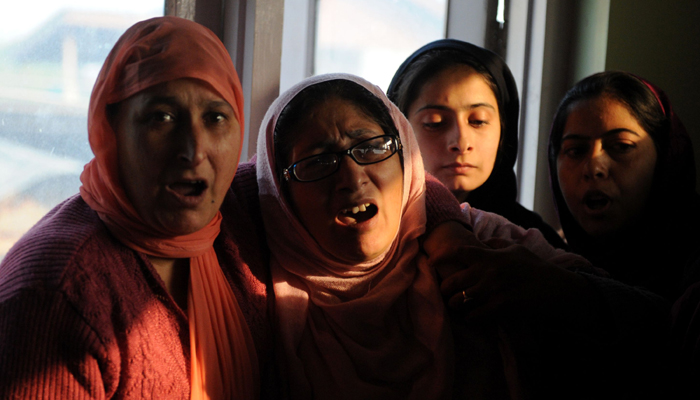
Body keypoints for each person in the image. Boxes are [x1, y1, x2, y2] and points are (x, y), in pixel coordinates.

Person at [254, 72, 645, 399]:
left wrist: (551, 289)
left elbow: (657, 327)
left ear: (405, 153)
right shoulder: (256, 292)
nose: (352, 178)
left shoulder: (483, 245)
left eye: (372, 147)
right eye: (318, 161)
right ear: (278, 191)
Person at [0, 16, 273, 399]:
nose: (193, 150)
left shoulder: (238, 227)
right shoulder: (59, 292)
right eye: (161, 117)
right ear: (110, 130)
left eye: (215, 118)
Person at [387, 39, 566, 248]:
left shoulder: (533, 245)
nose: (461, 142)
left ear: (503, 129)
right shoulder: (375, 231)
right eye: (434, 123)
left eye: (478, 121)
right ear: (399, 130)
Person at [548, 71, 700, 301]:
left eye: (621, 146)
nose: (594, 167)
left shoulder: (694, 265)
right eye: (576, 150)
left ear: (665, 156)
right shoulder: (551, 258)